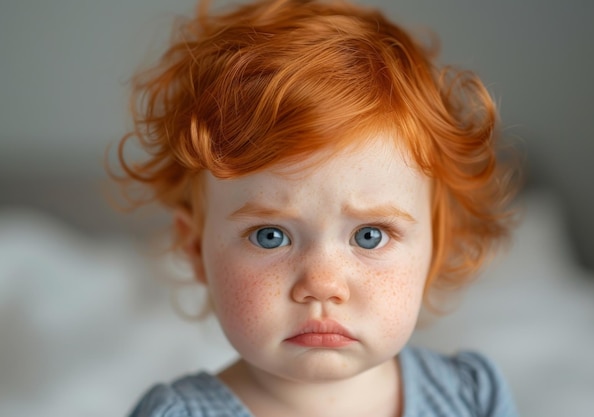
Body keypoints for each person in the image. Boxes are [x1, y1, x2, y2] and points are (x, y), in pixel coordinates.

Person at [113, 0, 519, 415]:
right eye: (270, 236)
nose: (323, 284)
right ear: (196, 249)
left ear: (437, 243)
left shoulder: (471, 399)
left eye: (369, 235)